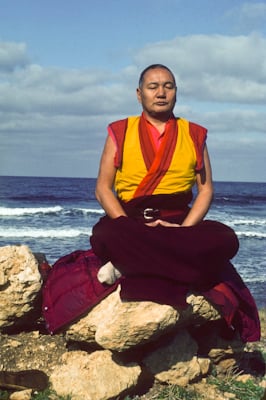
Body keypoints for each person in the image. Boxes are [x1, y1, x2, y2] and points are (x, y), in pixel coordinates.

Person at [90, 64, 260, 341]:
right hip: (131, 223)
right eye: (153, 86)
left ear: (176, 93)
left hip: (178, 223)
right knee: (106, 233)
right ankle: (170, 268)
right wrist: (124, 223)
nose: (161, 93)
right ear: (139, 93)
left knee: (226, 238)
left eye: (168, 86)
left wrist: (183, 230)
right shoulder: (119, 131)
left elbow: (205, 190)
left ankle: (129, 264)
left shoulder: (194, 134)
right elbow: (102, 189)